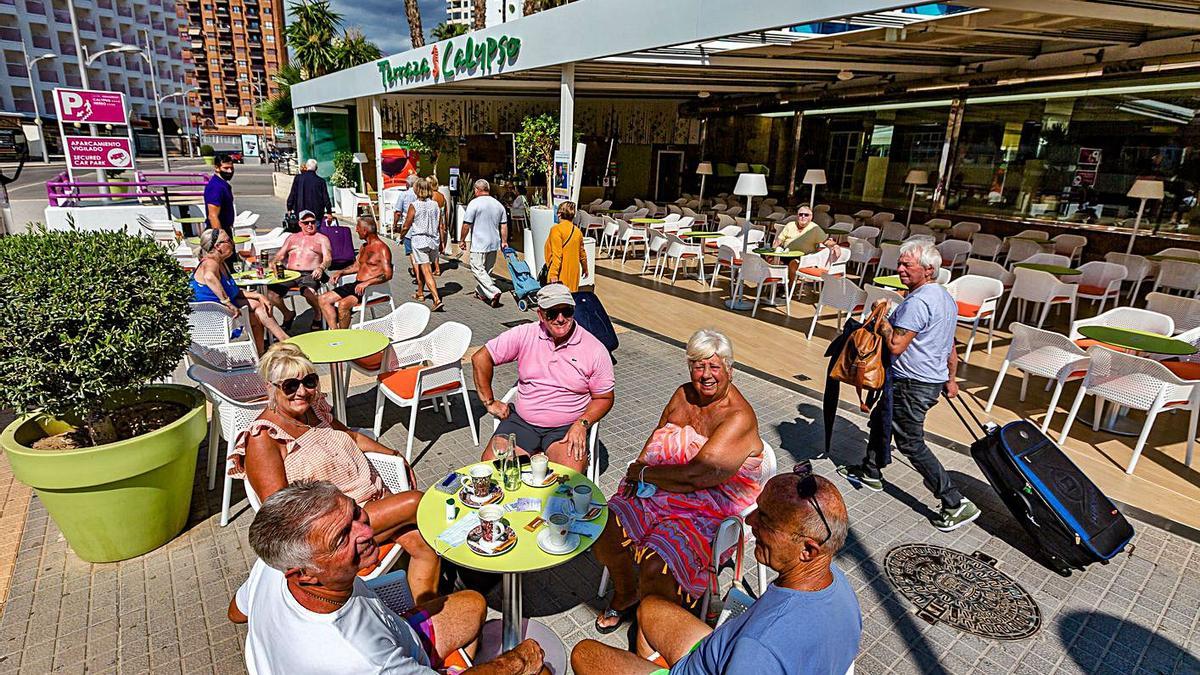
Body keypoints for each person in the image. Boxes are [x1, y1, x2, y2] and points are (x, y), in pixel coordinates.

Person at [230, 480, 548, 675]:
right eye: (342, 538)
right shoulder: (361, 657)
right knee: (539, 669)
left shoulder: (272, 565)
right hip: (388, 657)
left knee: (473, 603)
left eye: (355, 513)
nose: (367, 532)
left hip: (398, 636)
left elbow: (237, 611)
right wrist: (513, 663)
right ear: (306, 575)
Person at [572, 466, 861, 675]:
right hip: (719, 651)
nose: (750, 522)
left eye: (766, 520)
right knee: (649, 607)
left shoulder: (759, 648)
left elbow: (758, 649)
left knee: (584, 652)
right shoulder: (839, 587)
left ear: (808, 550)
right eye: (757, 510)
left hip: (728, 657)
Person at [231, 343, 441, 601]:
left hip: (372, 506)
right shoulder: (264, 438)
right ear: (271, 388)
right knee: (415, 501)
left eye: (309, 382)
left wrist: (392, 454)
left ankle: (425, 620)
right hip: (335, 527)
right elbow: (280, 513)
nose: (302, 392)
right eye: (290, 386)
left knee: (423, 546)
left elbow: (350, 436)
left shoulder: (314, 410)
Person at [591, 329, 764, 632]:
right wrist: (640, 466)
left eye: (715, 366)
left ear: (730, 371)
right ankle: (627, 590)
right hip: (663, 487)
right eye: (699, 366)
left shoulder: (737, 417)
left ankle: (661, 624)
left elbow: (697, 475)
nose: (706, 375)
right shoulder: (684, 395)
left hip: (711, 503)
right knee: (604, 529)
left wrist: (643, 473)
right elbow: (657, 434)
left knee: (657, 563)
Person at [837, 239, 981, 532]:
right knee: (880, 420)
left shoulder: (918, 302)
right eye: (900, 263)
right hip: (929, 377)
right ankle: (871, 470)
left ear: (928, 270)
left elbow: (895, 344)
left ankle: (954, 501)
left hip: (912, 383)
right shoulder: (944, 297)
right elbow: (949, 343)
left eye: (907, 265)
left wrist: (884, 316)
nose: (899, 268)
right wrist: (950, 378)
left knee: (910, 442)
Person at [473, 284, 614, 474]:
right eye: (552, 313)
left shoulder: (594, 349)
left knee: (568, 478)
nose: (561, 318)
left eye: (566, 311)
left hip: (565, 428)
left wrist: (582, 423)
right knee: (493, 468)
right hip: (522, 423)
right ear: (540, 315)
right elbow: (481, 358)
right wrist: (489, 402)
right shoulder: (526, 334)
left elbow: (604, 397)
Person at [190, 227, 289, 350]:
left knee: (257, 309)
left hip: (220, 313)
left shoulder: (221, 263)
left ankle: (264, 352)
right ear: (217, 246)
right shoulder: (210, 263)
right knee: (256, 315)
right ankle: (282, 340)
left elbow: (234, 292)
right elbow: (209, 277)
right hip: (210, 319)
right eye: (228, 240)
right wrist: (227, 302)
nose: (232, 243)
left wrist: (259, 295)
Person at [319, 216, 394, 329]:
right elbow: (357, 266)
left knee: (343, 305)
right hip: (356, 285)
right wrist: (342, 272)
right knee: (323, 299)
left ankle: (343, 337)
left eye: (358, 227)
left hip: (369, 289)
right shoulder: (364, 247)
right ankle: (336, 333)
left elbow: (388, 274)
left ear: (365, 230)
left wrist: (367, 283)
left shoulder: (382, 249)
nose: (356, 230)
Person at [265, 210, 332, 331]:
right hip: (290, 273)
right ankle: (287, 314)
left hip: (310, 273)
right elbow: (280, 255)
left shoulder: (322, 239)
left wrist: (321, 268)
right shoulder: (292, 238)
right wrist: (273, 263)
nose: (310, 225)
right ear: (300, 224)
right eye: (306, 223)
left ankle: (318, 313)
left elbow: (328, 259)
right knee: (271, 294)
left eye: (312, 222)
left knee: (309, 292)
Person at [460, 179, 508, 307]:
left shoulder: (474, 204)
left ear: (477, 189)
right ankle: (480, 292)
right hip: (494, 242)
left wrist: (462, 239)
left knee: (477, 268)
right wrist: (504, 241)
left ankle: (493, 291)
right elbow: (503, 225)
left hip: (479, 243)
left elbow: (466, 224)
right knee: (487, 270)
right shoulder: (499, 205)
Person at [399, 177, 445, 312]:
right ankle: (420, 293)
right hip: (433, 241)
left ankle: (436, 300)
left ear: (417, 190)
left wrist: (400, 236)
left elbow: (407, 225)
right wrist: (442, 242)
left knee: (426, 271)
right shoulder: (435, 205)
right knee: (426, 268)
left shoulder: (414, 205)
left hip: (420, 241)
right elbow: (440, 225)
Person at [771, 205, 839, 285]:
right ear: (797, 216)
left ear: (811, 217)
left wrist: (835, 245)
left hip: (804, 258)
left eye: (806, 215)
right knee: (772, 262)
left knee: (793, 264)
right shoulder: (790, 225)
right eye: (801, 214)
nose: (803, 217)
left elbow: (826, 241)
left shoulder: (814, 228)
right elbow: (779, 240)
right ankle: (774, 286)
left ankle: (788, 287)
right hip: (786, 254)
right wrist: (772, 252)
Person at [543, 201, 588, 291]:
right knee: (571, 298)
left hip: (560, 273)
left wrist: (553, 273)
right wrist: (585, 267)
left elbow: (557, 255)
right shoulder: (577, 231)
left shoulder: (556, 230)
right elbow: (582, 253)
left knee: (558, 300)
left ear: (559, 214)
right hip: (574, 272)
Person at [286, 158, 333, 226]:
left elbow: (293, 194)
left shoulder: (298, 179)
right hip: (316, 214)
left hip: (301, 213)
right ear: (316, 168)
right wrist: (329, 212)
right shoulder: (320, 181)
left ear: (306, 167)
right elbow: (326, 198)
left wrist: (289, 207)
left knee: (302, 234)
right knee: (315, 234)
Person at [393, 173, 420, 279]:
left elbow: (398, 212)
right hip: (420, 228)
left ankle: (418, 275)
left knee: (412, 253)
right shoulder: (421, 195)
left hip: (408, 229)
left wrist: (395, 225)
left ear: (407, 184)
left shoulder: (403, 195)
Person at [204, 153, 236, 237]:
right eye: (225, 168)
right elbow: (213, 215)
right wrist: (221, 239)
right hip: (218, 232)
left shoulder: (223, 185)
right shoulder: (216, 187)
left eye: (231, 168)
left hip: (226, 229)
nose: (230, 171)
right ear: (217, 168)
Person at [428, 175, 448, 277]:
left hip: (433, 223)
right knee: (436, 247)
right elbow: (446, 212)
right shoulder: (442, 196)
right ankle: (436, 267)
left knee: (432, 248)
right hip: (441, 223)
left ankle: (435, 268)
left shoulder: (431, 197)